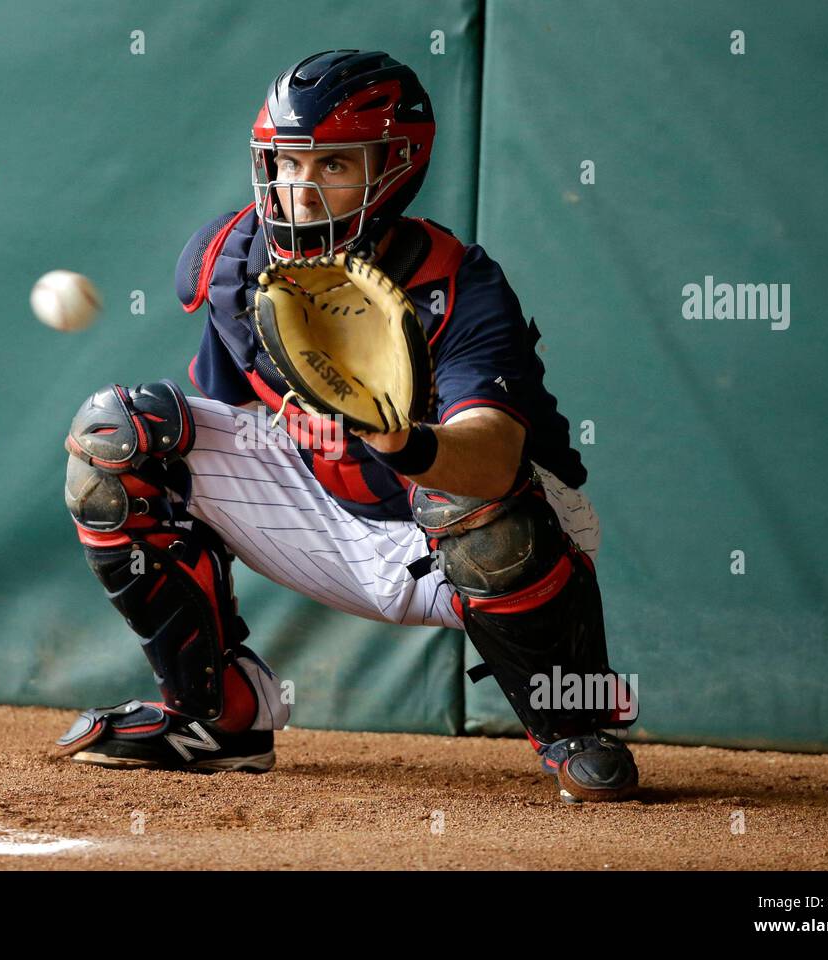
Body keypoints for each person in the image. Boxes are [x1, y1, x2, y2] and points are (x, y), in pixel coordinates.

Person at [57, 50, 639, 802]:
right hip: (333, 504)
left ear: (396, 165)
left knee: (473, 506)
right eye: (285, 163)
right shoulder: (231, 261)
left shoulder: (456, 287)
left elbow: (494, 460)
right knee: (117, 435)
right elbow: (230, 425)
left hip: (487, 528)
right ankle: (216, 718)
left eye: (332, 165)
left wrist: (401, 440)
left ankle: (571, 720)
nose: (298, 189)